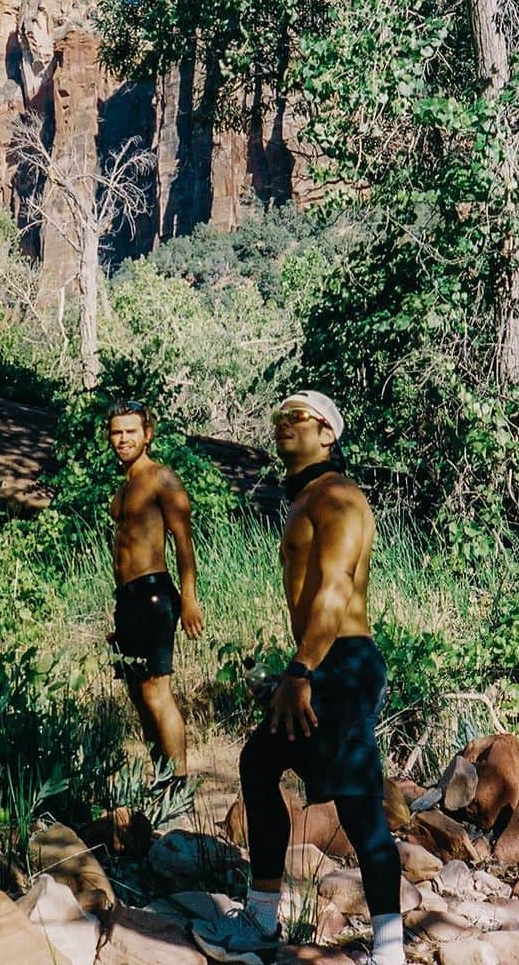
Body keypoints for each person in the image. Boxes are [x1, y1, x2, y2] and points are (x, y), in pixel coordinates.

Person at [193, 390, 404, 965]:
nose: (283, 424)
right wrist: (292, 672)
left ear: (327, 434)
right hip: (323, 664)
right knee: (260, 763)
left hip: (342, 663)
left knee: (359, 809)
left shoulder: (337, 497)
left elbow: (335, 591)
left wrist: (301, 670)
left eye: (297, 417)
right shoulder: (307, 497)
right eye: (278, 416)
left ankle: (389, 953)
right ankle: (262, 919)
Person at [106, 400, 205, 790]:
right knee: (136, 692)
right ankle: (160, 777)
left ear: (147, 434)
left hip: (154, 594)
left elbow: (183, 542)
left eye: (131, 431)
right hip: (127, 599)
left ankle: (179, 782)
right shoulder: (123, 487)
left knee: (157, 690)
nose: (123, 439)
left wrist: (189, 598)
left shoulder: (161, 478)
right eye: (116, 432)